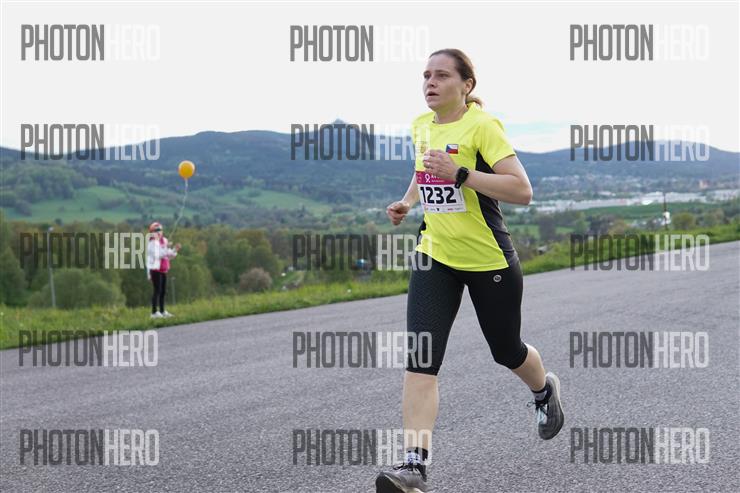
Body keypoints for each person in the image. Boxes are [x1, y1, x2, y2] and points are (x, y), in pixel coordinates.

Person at [375, 49, 564, 493]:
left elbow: (522, 190)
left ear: (467, 85)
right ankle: (414, 466)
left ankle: (543, 391)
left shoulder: (483, 126)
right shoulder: (421, 125)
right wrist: (408, 201)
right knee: (421, 359)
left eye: (442, 75)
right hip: (435, 256)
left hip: (488, 260)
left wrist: (461, 173)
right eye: (426, 75)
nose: (430, 82)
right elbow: (424, 171)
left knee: (506, 350)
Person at [146, 222, 180, 319]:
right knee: (157, 290)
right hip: (155, 270)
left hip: (163, 270)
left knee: (163, 291)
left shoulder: (164, 241)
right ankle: (154, 313)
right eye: (156, 230)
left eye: (160, 230)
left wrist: (174, 250)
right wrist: (165, 247)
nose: (159, 232)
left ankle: (162, 311)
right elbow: (158, 255)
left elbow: (169, 255)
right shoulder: (151, 244)